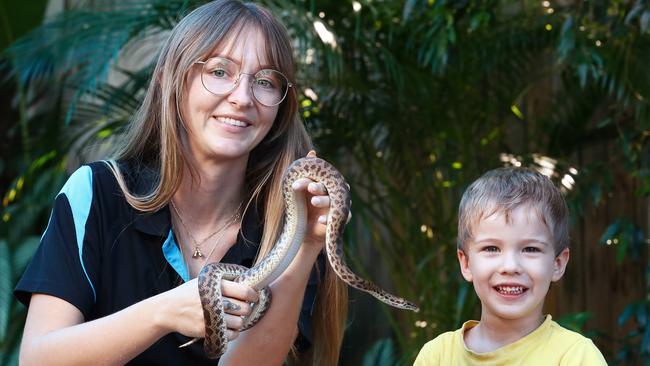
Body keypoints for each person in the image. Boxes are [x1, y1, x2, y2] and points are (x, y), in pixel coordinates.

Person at [14, 1, 348, 365]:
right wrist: (164, 313)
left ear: (281, 105)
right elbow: (37, 359)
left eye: (265, 81)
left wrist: (306, 248)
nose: (242, 97)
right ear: (170, 78)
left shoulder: (293, 219)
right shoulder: (96, 193)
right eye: (220, 71)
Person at [414, 167, 607, 365]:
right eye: (491, 248)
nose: (510, 266)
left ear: (557, 264)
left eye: (530, 249)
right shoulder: (437, 356)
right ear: (466, 263)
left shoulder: (575, 357)